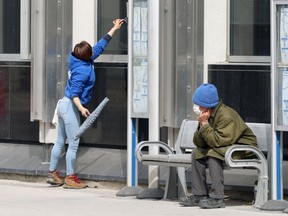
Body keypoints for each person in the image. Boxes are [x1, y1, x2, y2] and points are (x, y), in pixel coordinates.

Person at [46, 18, 125, 189]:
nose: (93, 53)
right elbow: (75, 93)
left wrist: (114, 28)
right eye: (91, 53)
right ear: (87, 56)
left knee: (60, 141)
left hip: (63, 105)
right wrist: (81, 108)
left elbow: (99, 46)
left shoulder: (78, 59)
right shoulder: (82, 70)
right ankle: (70, 178)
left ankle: (52, 173)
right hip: (71, 106)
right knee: (73, 143)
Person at [179, 83, 258, 209]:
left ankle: (217, 197)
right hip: (227, 145)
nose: (196, 107)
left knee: (214, 154)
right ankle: (199, 195)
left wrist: (204, 123)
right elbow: (199, 143)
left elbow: (217, 142)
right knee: (196, 153)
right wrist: (202, 124)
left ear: (206, 105)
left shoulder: (226, 116)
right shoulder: (207, 115)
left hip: (243, 148)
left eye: (198, 104)